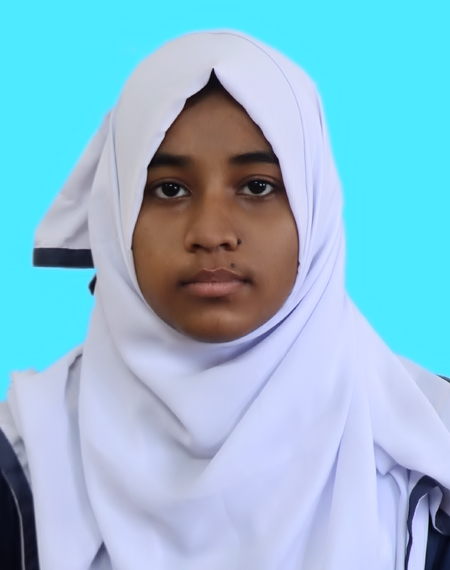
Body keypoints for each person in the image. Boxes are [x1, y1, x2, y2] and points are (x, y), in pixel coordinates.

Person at [0, 30, 449, 570]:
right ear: (116, 218)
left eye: (258, 186)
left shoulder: (430, 457)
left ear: (316, 210)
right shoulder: (23, 458)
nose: (211, 233)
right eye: (169, 189)